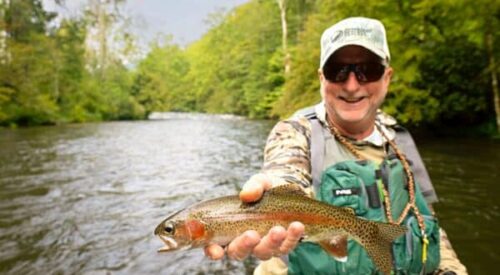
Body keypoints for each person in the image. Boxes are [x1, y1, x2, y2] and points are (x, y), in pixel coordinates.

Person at [205, 17, 467, 275]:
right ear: (322, 79)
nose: (352, 85)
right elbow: (284, 170)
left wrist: (451, 270)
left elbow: (426, 222)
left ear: (387, 77)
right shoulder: (295, 132)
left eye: (368, 69)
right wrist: (277, 194)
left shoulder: (399, 138)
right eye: (337, 71)